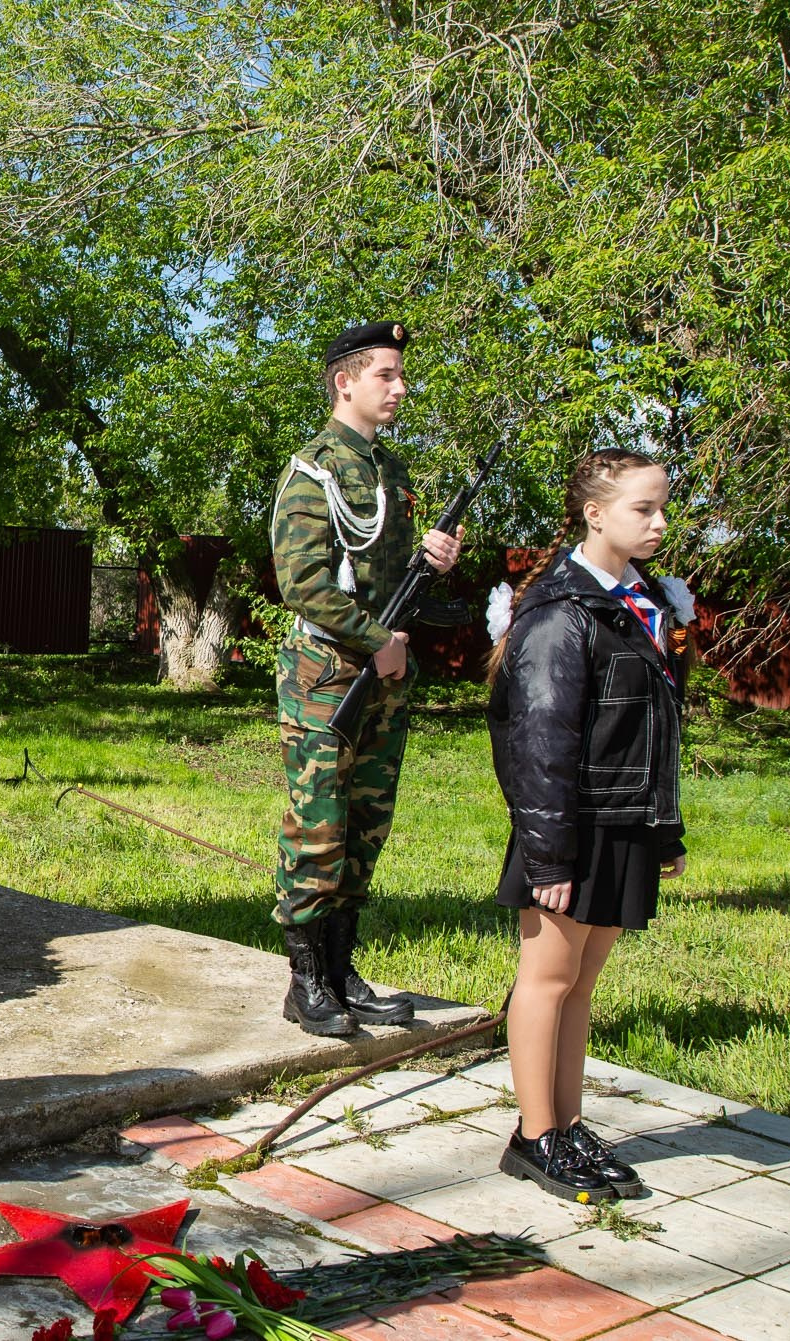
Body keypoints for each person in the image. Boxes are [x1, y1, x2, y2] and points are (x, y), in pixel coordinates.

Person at [486, 448, 692, 1203]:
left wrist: (662, 832)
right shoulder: (558, 610)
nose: (659, 521)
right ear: (594, 512)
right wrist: (548, 856)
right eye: (644, 508)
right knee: (546, 980)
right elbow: (539, 742)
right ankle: (533, 1136)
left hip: (624, 818)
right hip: (569, 826)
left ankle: (566, 1125)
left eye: (662, 505)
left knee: (580, 985)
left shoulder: (644, 602)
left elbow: (656, 727)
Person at [268, 321, 461, 1036]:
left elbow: (390, 568)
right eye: (386, 374)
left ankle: (343, 969)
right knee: (317, 823)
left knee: (365, 827)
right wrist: (377, 640)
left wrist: (436, 559)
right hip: (328, 673)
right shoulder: (313, 470)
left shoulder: (390, 472)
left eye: (400, 374)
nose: (400, 387)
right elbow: (304, 582)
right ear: (344, 380)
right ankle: (306, 980)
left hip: (384, 673)